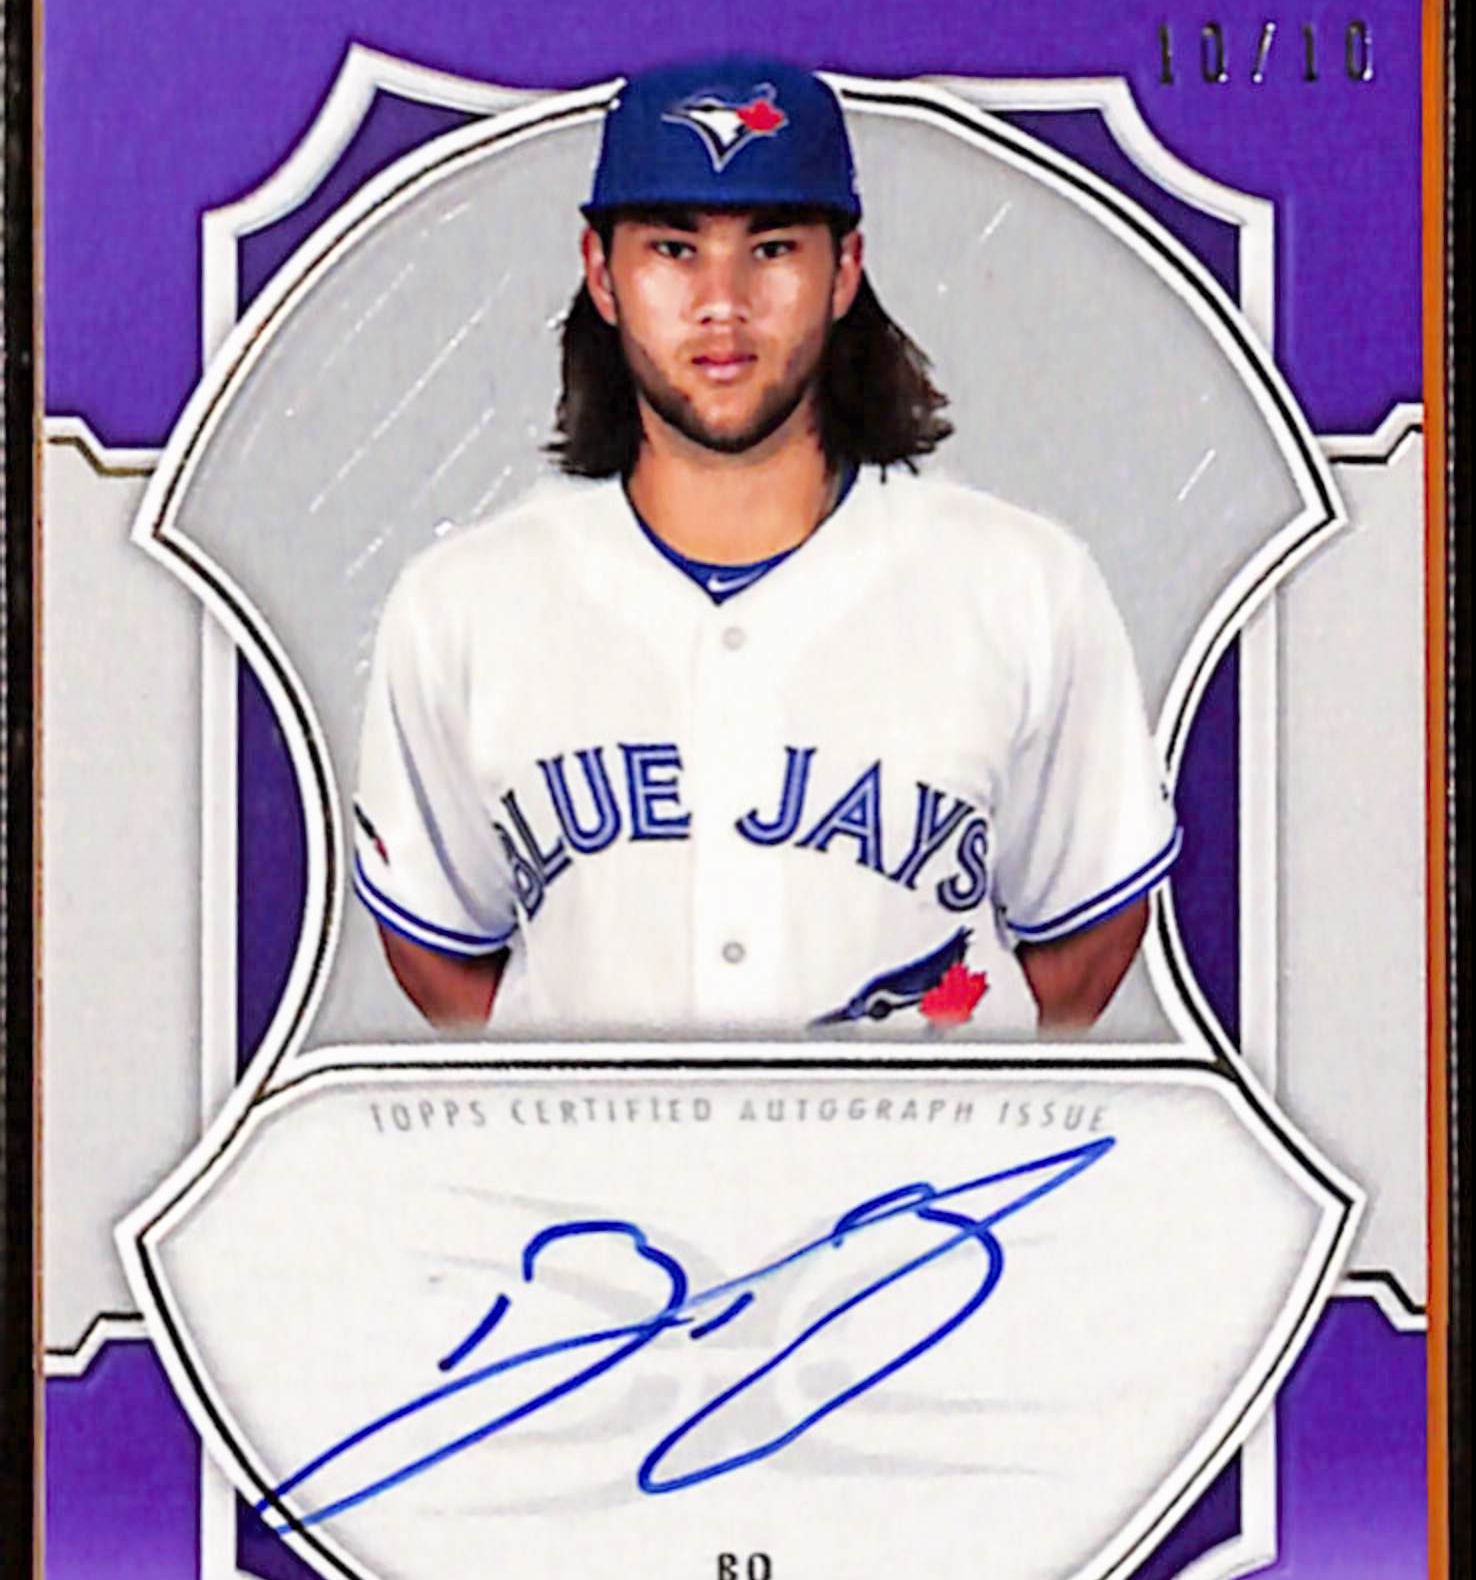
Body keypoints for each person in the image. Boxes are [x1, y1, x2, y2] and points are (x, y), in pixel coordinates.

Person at [353, 58, 1179, 1038]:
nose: (723, 301)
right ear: (601, 273)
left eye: (773, 247)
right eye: (673, 248)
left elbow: (1085, 943)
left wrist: (960, 1105)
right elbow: (441, 952)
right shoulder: (463, 607)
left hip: (923, 1147)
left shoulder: (1023, 587)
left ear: (846, 271)